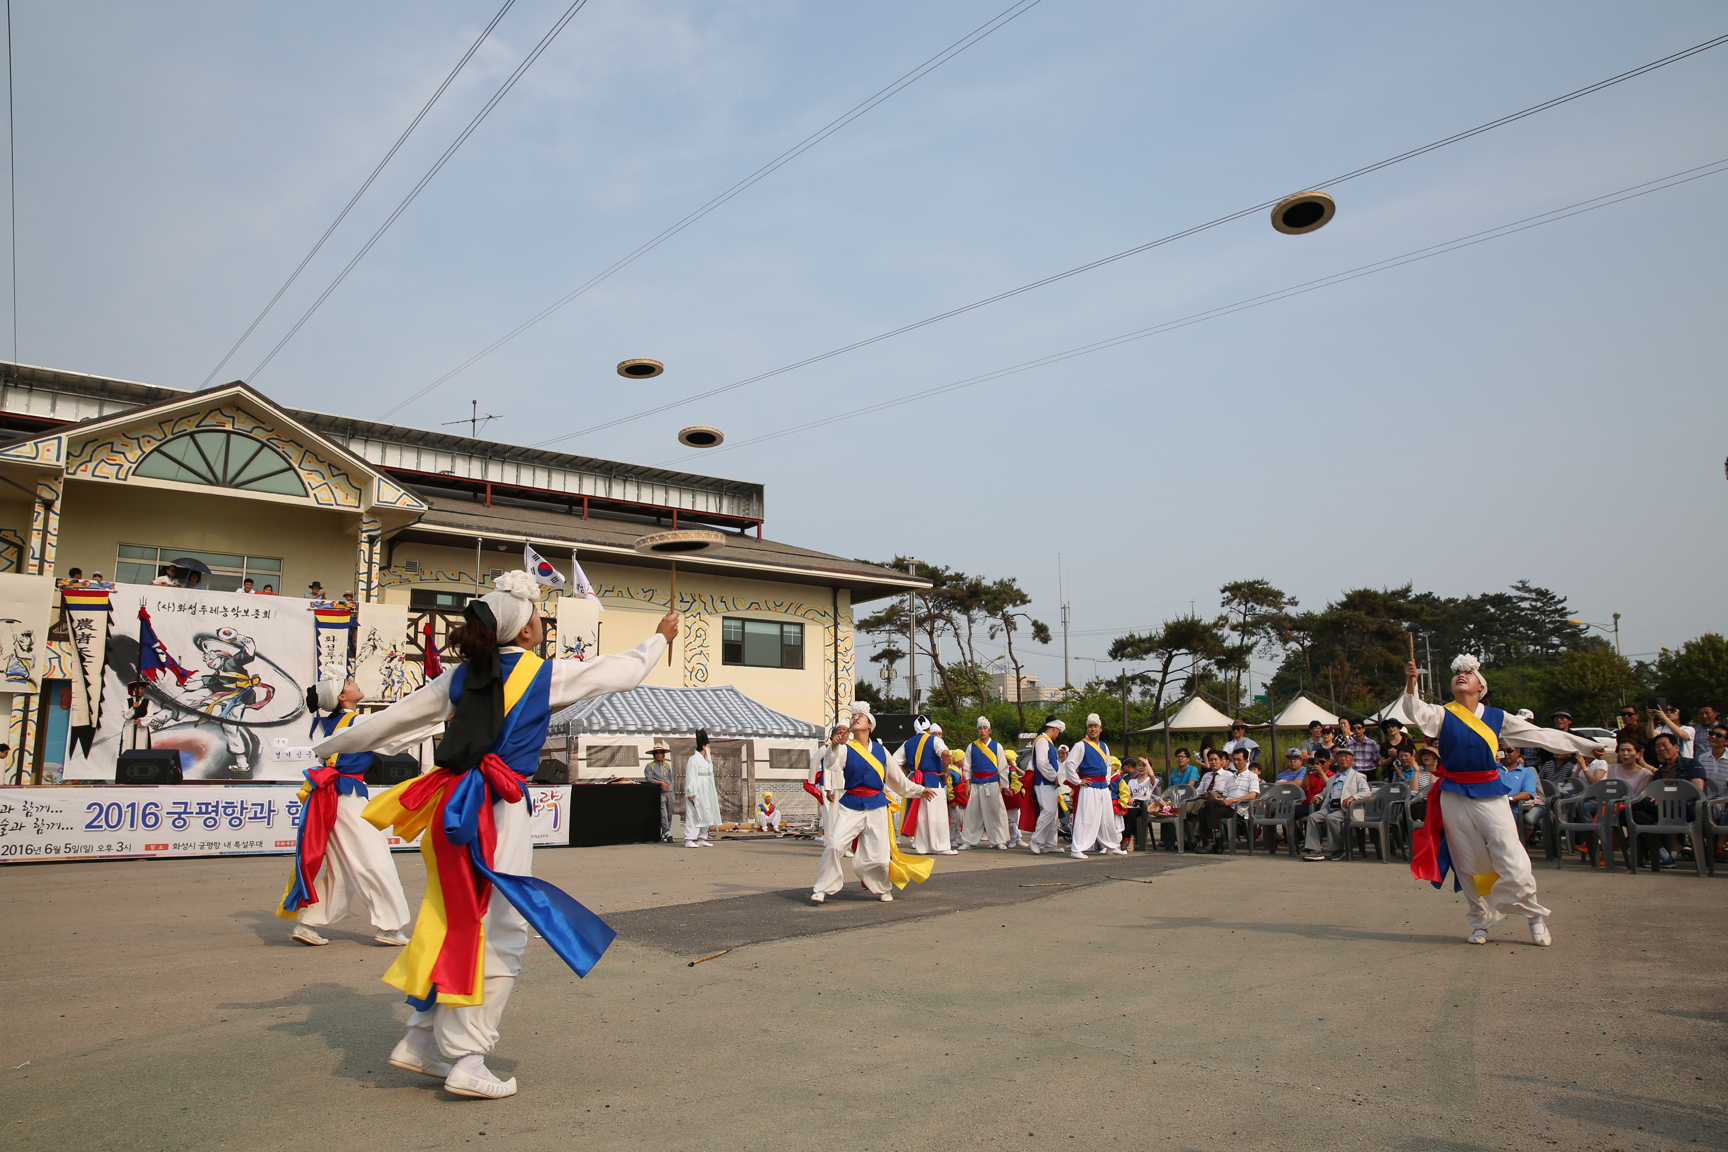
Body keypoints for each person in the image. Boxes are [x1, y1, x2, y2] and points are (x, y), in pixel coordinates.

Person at [311, 570, 676, 1099]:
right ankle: (469, 1056)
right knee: (502, 931)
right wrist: (661, 636)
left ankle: (421, 1040)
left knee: (450, 918)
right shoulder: (541, 674)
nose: (542, 624)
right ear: (526, 631)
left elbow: (390, 720)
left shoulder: (459, 677)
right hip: (494, 808)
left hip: (445, 805)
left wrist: (324, 748)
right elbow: (621, 671)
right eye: (538, 618)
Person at [1403, 654, 1598, 947]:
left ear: (1481, 686)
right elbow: (1414, 711)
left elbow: (1540, 735)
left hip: (1490, 792)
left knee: (1510, 855)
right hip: (1454, 793)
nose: (1461, 676)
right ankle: (1482, 920)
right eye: (1457, 674)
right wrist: (1411, 681)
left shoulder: (1497, 717)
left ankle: (1533, 915)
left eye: (1468, 674)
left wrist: (1586, 746)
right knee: (1468, 861)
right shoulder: (1443, 713)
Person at [278, 678, 413, 948]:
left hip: (333, 795)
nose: (356, 683)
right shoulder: (355, 722)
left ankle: (309, 924)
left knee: (341, 869)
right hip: (345, 796)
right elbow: (397, 733)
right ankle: (389, 926)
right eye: (349, 682)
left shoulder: (332, 723)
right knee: (374, 859)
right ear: (342, 697)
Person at [810, 701, 936, 904]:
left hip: (877, 804)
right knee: (834, 846)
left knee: (879, 856)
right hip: (851, 804)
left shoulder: (881, 751)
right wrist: (834, 744)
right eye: (853, 716)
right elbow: (832, 763)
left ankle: (882, 887)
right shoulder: (845, 747)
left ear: (870, 725)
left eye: (861, 717)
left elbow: (898, 781)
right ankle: (822, 888)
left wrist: (920, 790)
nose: (856, 718)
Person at [1063, 714, 1127, 859]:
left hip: (1103, 786)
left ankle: (1111, 845)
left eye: (1095, 726)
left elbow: (1108, 765)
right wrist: (1078, 781)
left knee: (1107, 817)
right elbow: (1070, 764)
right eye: (1090, 726)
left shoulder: (1104, 746)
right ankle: (1077, 848)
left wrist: (1107, 780)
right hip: (1089, 785)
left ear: (1100, 729)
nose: (1093, 729)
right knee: (1086, 816)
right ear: (1087, 728)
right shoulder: (1081, 745)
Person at [894, 716, 954, 855]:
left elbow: (894, 761)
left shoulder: (907, 743)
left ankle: (922, 847)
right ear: (928, 728)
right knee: (937, 813)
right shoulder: (935, 740)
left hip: (916, 782)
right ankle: (941, 846)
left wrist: (908, 774)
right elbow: (945, 753)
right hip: (933, 780)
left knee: (921, 815)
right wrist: (945, 771)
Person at [1301, 745, 1370, 860]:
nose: (1343, 759)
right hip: (1331, 806)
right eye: (1340, 757)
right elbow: (1325, 792)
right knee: (1313, 817)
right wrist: (1318, 796)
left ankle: (1337, 849)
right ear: (1336, 760)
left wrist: (1353, 797)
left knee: (1331, 818)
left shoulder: (1358, 776)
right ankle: (1315, 850)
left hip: (1347, 809)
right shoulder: (1333, 778)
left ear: (1352, 760)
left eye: (1346, 757)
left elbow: (1367, 792)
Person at [961, 716, 1012, 850]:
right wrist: (967, 785)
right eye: (980, 728)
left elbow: (1002, 767)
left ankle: (999, 840)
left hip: (992, 784)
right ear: (977, 731)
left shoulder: (997, 746)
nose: (982, 731)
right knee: (973, 813)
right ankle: (969, 840)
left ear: (990, 730)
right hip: (976, 784)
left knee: (996, 812)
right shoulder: (972, 747)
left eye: (985, 728)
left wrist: (1005, 786)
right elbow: (967, 767)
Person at [1027, 717, 1065, 854]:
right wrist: (1053, 776)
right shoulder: (1042, 741)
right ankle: (1036, 840)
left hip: (1049, 782)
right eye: (1058, 732)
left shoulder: (1046, 741)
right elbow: (1041, 763)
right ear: (1054, 729)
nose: (1057, 735)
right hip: (1044, 781)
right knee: (1048, 811)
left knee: (1053, 813)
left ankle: (1050, 843)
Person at [1499, 746, 1545, 843]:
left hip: (1511, 808)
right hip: (1491, 806)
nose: (1506, 753)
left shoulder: (1527, 772)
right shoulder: (1492, 770)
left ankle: (1518, 844)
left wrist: (1508, 799)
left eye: (1510, 751)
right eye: (1502, 751)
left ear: (1518, 752)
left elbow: (1527, 793)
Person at [684, 730, 720, 848]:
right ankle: (690, 838)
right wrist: (691, 792)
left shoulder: (707, 761)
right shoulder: (693, 759)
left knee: (707, 812)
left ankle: (702, 837)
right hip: (697, 788)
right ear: (703, 746)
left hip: (707, 789)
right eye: (708, 746)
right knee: (694, 813)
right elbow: (691, 776)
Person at [643, 740, 674, 843]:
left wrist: (669, 786)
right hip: (659, 792)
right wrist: (660, 782)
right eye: (657, 753)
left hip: (669, 791)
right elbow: (648, 779)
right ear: (654, 754)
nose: (659, 755)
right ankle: (668, 833)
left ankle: (665, 833)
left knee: (669, 814)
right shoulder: (650, 766)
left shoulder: (667, 765)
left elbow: (670, 778)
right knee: (663, 813)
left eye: (661, 752)